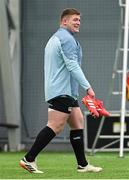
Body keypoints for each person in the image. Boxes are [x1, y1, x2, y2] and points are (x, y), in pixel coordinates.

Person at [20, 8, 102, 173]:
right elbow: (73, 65)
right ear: (64, 21)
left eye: (79, 20)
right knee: (55, 125)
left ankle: (82, 165)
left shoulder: (59, 37)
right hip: (61, 90)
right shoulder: (66, 39)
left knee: (78, 121)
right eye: (74, 19)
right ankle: (28, 159)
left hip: (66, 91)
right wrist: (88, 87)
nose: (78, 22)